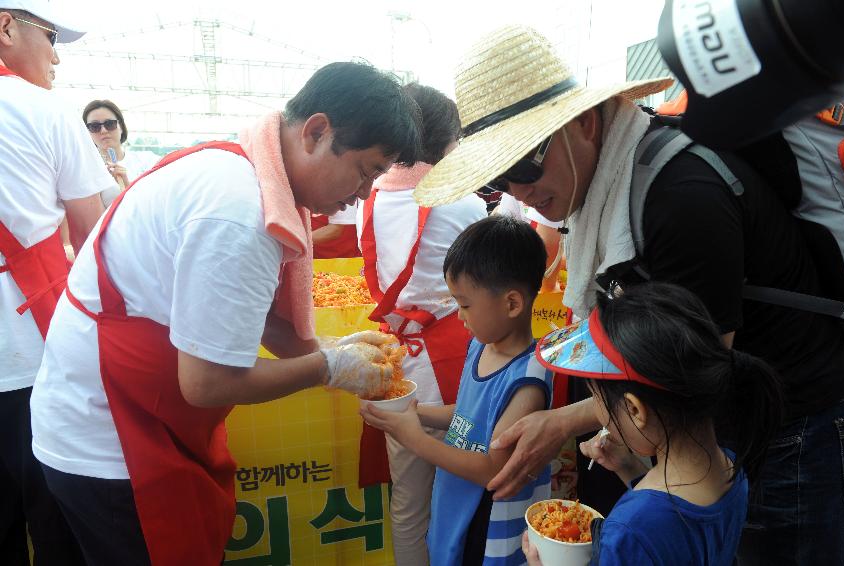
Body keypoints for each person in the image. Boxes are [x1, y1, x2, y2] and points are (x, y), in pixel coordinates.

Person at [413, 25, 844, 565]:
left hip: (792, 423)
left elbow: (692, 368)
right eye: (500, 177)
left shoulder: (679, 197)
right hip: (721, 428)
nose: (519, 190)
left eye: (525, 162)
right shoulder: (602, 196)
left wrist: (568, 421)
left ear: (585, 122)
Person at [29, 61, 422, 566]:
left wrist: (326, 348)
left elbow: (240, 311)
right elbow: (208, 383)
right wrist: (326, 368)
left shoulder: (239, 169)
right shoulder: (239, 211)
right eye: (366, 171)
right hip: (113, 442)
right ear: (317, 132)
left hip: (109, 417)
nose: (364, 193)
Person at [522, 282, 783, 565]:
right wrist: (629, 468)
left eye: (596, 397)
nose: (599, 409)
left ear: (635, 409)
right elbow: (676, 527)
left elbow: (653, 530)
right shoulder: (732, 469)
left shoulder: (629, 530)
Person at [362, 215, 553, 565]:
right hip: (454, 503)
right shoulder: (480, 346)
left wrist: (415, 438)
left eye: (464, 304)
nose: (459, 314)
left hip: (485, 521)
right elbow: (466, 415)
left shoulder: (528, 378)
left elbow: (491, 469)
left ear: (512, 304)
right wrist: (408, 412)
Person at [0, 3, 113, 564]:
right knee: (55, 526)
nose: (55, 54)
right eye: (49, 36)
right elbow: (95, 239)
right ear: (5, 28)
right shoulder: (41, 109)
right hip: (33, 359)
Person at [355, 82, 486, 565]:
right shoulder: (467, 204)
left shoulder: (367, 202)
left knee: (408, 503)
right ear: (446, 144)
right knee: (464, 494)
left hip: (399, 370)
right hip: (455, 362)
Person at [82, 99, 159, 206]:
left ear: (121, 127)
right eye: (94, 127)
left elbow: (159, 200)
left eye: (109, 124)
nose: (103, 130)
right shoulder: (84, 169)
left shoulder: (148, 160)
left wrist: (127, 186)